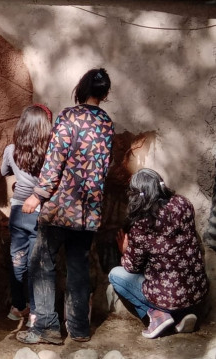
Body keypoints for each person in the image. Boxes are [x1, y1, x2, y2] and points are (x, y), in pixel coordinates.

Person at [16, 68, 114, 344]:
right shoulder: (106, 123)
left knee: (42, 262)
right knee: (78, 266)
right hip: (89, 211)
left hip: (61, 208)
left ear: (81, 89)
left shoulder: (69, 117)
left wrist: (38, 195)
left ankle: (46, 326)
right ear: (104, 93)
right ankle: (79, 328)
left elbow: (54, 161)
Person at [109, 168, 209, 339]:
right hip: (196, 291)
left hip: (167, 296)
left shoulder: (142, 223)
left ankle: (157, 316)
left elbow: (131, 267)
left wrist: (124, 250)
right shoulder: (183, 204)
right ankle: (181, 317)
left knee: (115, 274)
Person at [0, 104, 53, 328]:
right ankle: (35, 311)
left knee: (17, 260)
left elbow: (4, 172)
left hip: (18, 210)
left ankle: (17, 307)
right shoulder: (50, 151)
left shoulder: (11, 150)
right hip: (40, 210)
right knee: (36, 264)